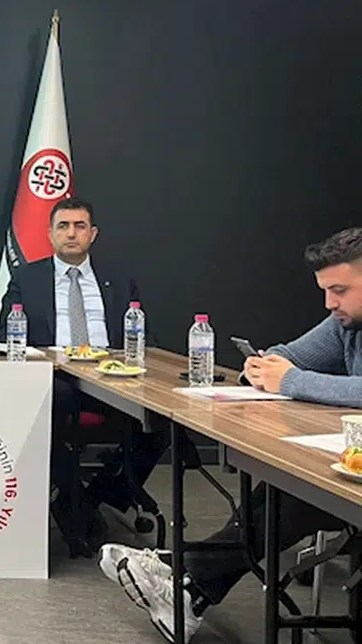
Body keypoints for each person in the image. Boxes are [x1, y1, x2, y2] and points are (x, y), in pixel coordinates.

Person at [99, 226, 362, 643]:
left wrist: (290, 380)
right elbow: (289, 355)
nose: (330, 303)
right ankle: (187, 585)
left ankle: (183, 575)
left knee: (295, 497)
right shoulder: (345, 323)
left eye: (339, 290)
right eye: (326, 291)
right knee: (283, 488)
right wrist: (263, 366)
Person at [0, 198, 158, 557]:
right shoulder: (27, 278)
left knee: (163, 422)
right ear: (50, 233)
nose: (71, 233)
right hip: (54, 378)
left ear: (93, 234)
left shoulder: (118, 279)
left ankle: (96, 497)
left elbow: (142, 336)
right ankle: (76, 507)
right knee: (51, 406)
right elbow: (6, 334)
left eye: (80, 226)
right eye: (63, 226)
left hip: (112, 376)